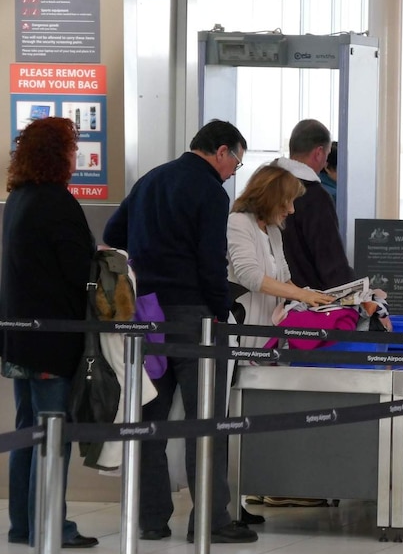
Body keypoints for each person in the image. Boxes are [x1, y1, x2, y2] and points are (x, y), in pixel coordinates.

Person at [103, 119, 258, 544]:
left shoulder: (150, 180)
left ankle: (150, 518)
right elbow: (211, 260)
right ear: (221, 151)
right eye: (236, 163)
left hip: (146, 314)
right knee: (205, 421)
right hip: (195, 318)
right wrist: (222, 309)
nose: (232, 173)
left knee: (149, 420)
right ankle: (209, 520)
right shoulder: (209, 191)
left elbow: (113, 234)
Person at [0, 117, 99, 548]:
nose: (76, 156)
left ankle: (23, 524)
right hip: (52, 340)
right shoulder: (57, 202)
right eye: (72, 149)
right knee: (51, 435)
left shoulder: (17, 199)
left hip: (19, 339)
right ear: (58, 155)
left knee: (28, 433)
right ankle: (50, 525)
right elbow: (79, 271)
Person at [227, 164, 334, 350]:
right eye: (288, 201)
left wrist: (317, 298)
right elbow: (250, 276)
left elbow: (284, 278)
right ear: (270, 198)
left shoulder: (273, 230)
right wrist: (302, 294)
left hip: (269, 332)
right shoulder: (239, 222)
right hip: (244, 329)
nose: (292, 210)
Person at [276, 119, 355, 290]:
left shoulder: (266, 185)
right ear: (319, 153)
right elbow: (330, 262)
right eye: (327, 155)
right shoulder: (315, 196)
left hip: (265, 296)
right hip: (307, 302)